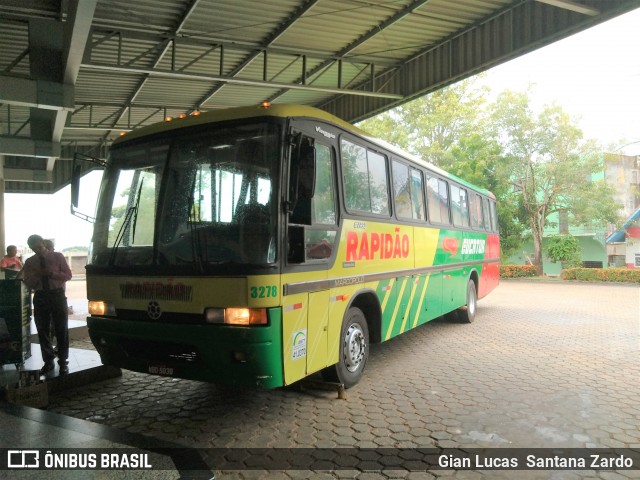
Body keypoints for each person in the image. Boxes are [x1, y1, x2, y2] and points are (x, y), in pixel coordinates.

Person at [21, 234, 72, 376]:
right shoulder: (30, 261)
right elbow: (28, 282)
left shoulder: (57, 257)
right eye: (33, 249)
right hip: (41, 296)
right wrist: (35, 277)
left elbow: (68, 275)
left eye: (39, 247)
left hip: (57, 295)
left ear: (43, 243)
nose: (37, 250)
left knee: (61, 328)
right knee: (42, 330)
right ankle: (48, 361)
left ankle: (63, 361)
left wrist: (51, 274)